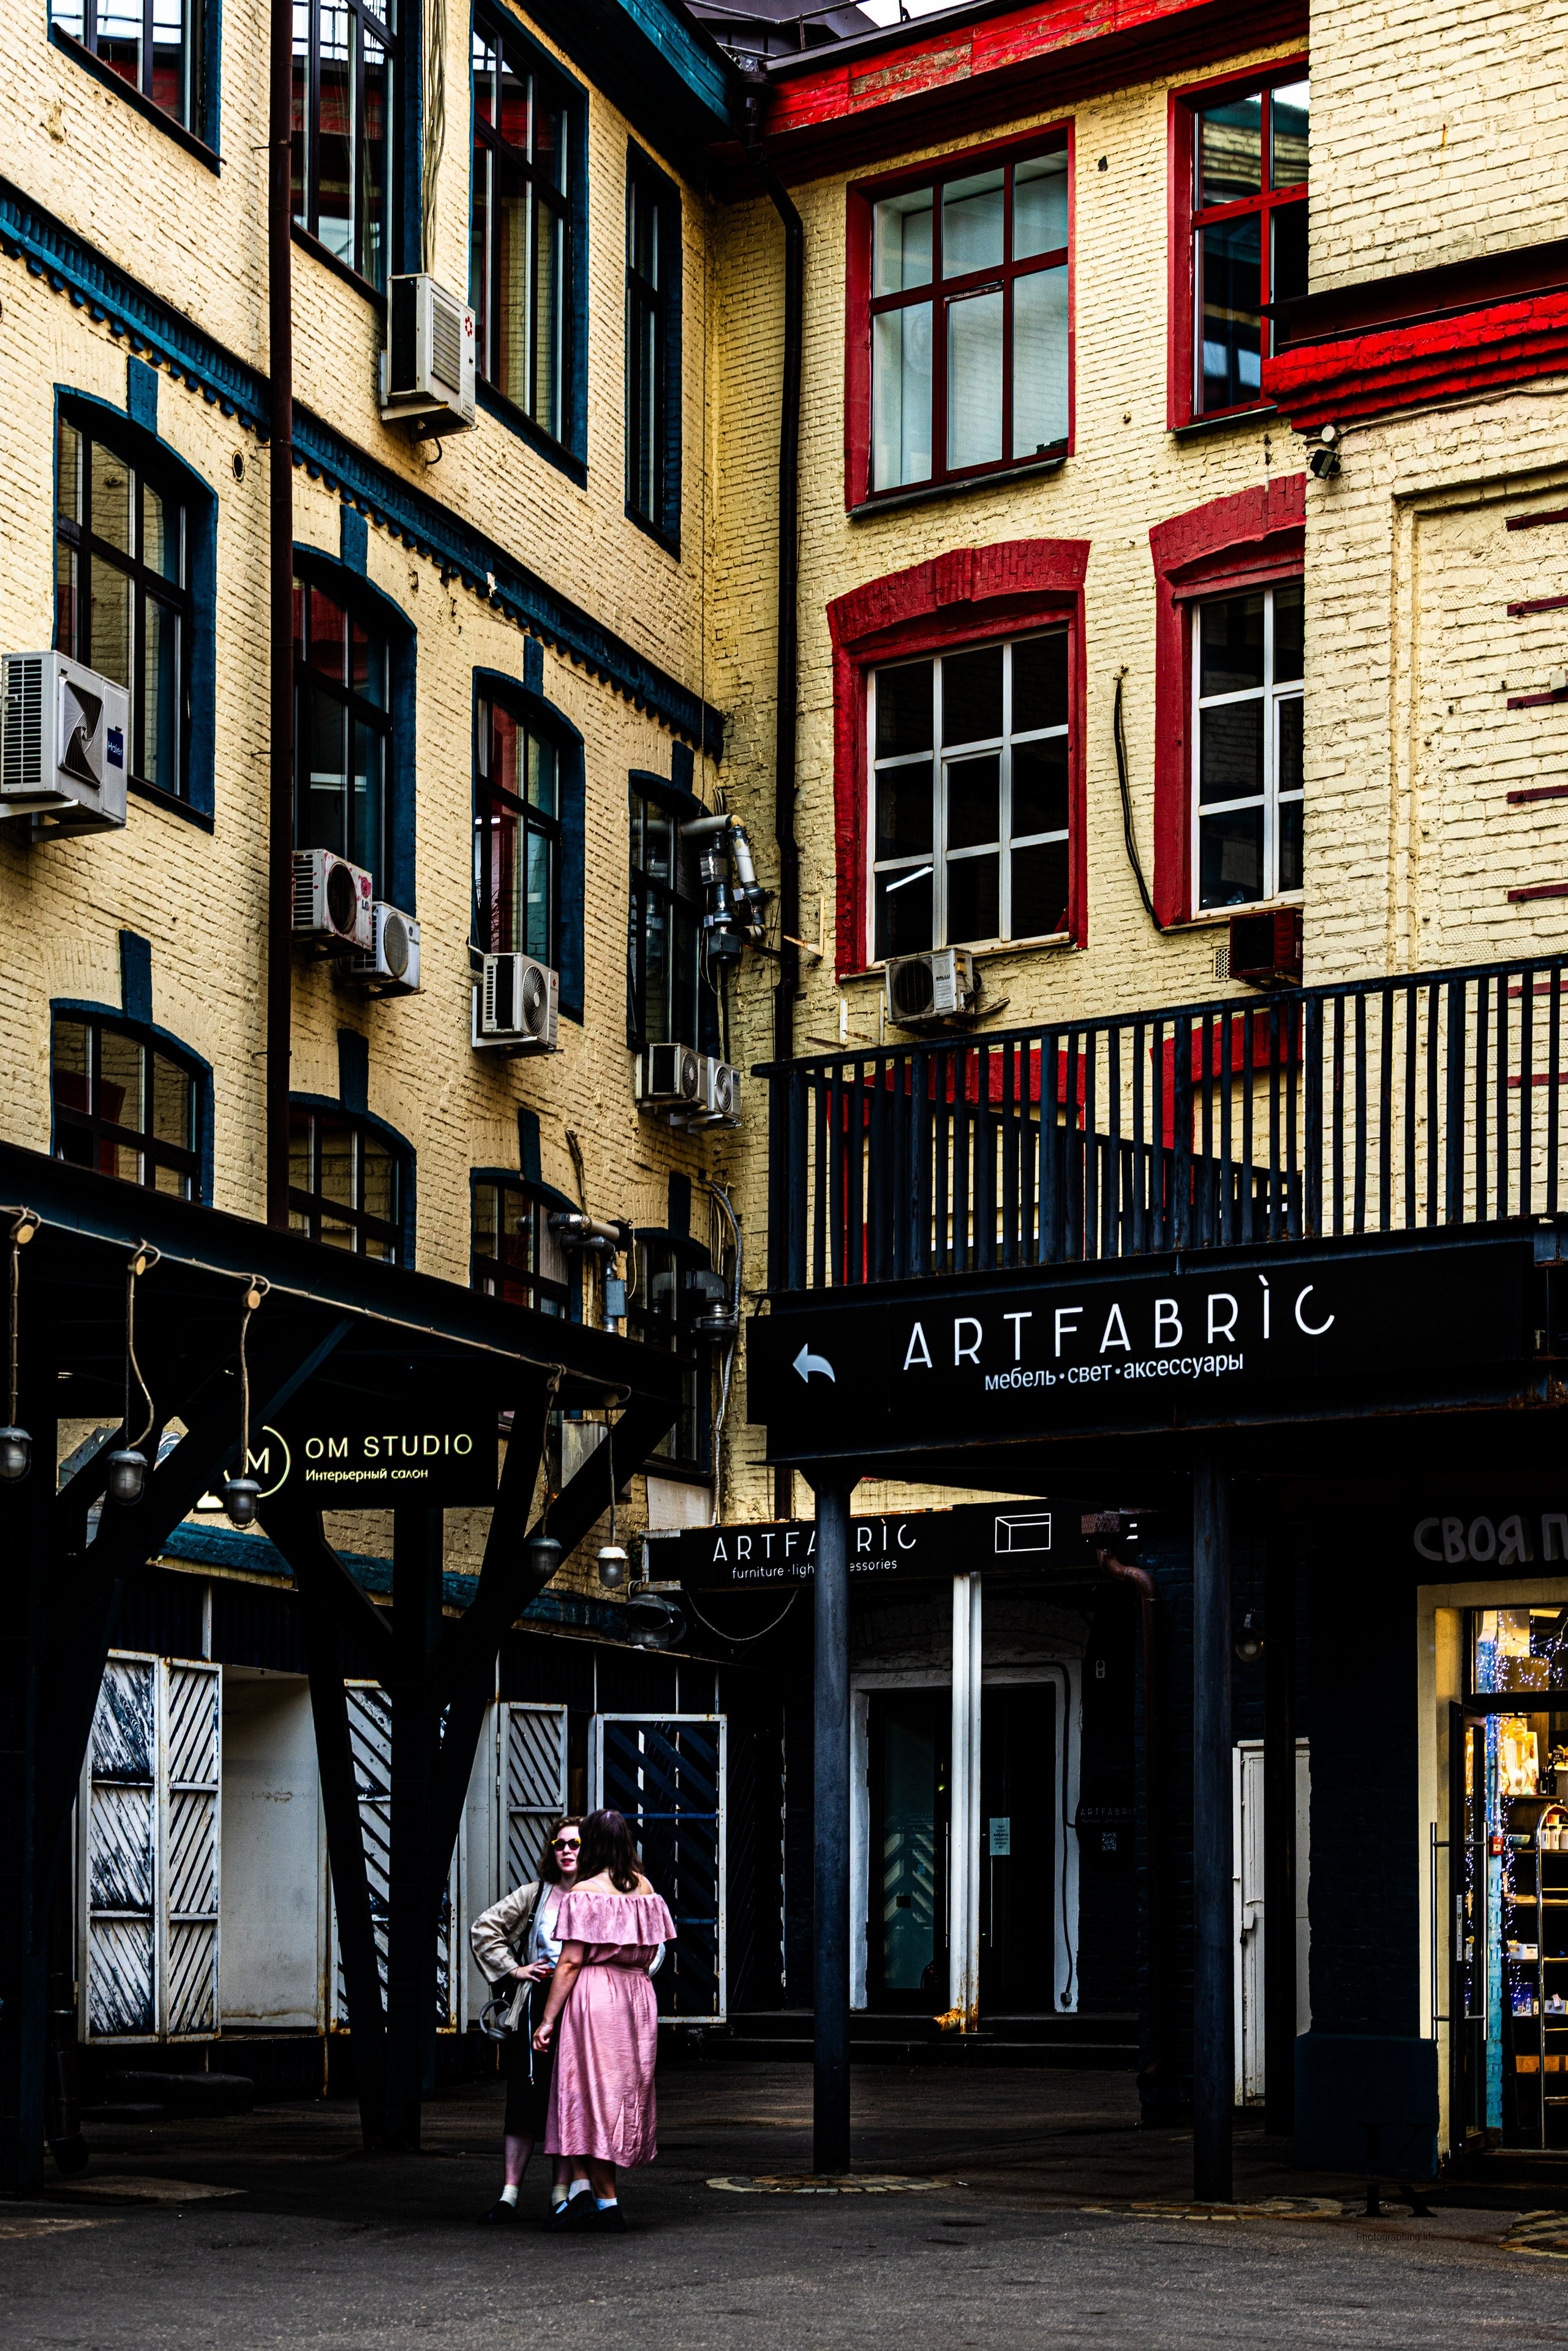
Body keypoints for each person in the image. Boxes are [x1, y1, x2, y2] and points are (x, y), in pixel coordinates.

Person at [532, 1807, 676, 2233]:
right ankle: (584, 2195)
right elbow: (654, 1951)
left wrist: (546, 2019)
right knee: (618, 2096)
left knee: (587, 2094)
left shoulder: (586, 1893)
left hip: (595, 1997)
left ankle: (607, 2203)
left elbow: (571, 1962)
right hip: (637, 1997)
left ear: (592, 1844)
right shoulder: (646, 1889)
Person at [470, 1814, 583, 2225]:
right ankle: (509, 2195)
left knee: (568, 2102)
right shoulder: (536, 1896)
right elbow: (485, 1929)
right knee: (524, 2099)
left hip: (580, 2008)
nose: (568, 1851)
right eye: (561, 1844)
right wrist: (515, 1970)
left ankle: (560, 2196)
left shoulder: (599, 1896)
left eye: (576, 1844)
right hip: (535, 2006)